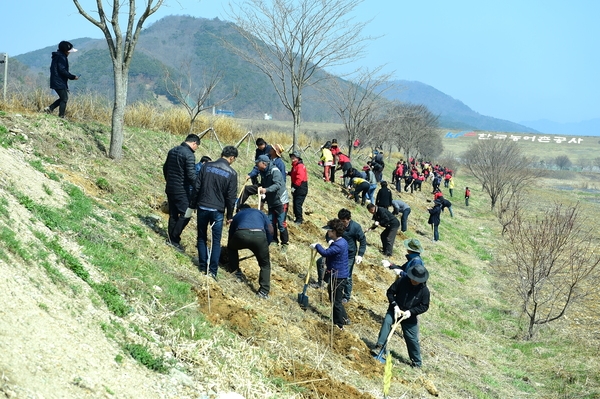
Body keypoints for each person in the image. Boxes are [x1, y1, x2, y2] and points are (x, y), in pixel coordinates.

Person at [188, 146, 239, 278]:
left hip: (203, 207)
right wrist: (229, 216)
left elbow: (197, 186)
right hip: (218, 210)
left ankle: (203, 266)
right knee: (216, 241)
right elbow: (230, 198)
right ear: (232, 158)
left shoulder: (206, 166)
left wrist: (193, 204)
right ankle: (212, 271)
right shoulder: (232, 173)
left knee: (201, 237)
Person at [371, 261, 430, 368]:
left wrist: (410, 312)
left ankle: (416, 362)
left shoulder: (424, 291)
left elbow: (424, 306)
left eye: (416, 280)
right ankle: (379, 347)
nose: (413, 281)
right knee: (387, 322)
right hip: (395, 310)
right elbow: (390, 292)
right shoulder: (402, 281)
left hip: (409, 316)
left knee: (412, 338)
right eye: (412, 278)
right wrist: (395, 306)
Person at [313, 209, 367, 304]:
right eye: (340, 220)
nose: (342, 223)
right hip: (336, 251)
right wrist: (329, 240)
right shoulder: (337, 225)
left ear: (349, 219)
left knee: (347, 276)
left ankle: (346, 296)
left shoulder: (355, 227)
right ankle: (320, 282)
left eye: (344, 221)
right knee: (320, 262)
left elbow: (362, 240)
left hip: (349, 255)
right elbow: (328, 233)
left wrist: (360, 255)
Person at [162, 134, 201, 251]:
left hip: (170, 187)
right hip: (181, 189)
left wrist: (169, 180)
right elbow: (190, 175)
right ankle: (174, 237)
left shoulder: (172, 150)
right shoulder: (189, 155)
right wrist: (198, 187)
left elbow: (165, 168)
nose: (196, 149)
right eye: (197, 147)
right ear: (194, 143)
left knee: (173, 214)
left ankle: (171, 239)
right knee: (186, 213)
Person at [227, 204, 274, 299]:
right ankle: (263, 291)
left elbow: (231, 233)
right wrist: (266, 244)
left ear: (239, 209)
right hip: (259, 237)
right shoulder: (260, 213)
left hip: (241, 234)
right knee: (265, 264)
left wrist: (230, 245)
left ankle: (236, 272)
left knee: (232, 248)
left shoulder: (238, 215)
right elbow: (270, 229)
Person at [310, 218, 349, 330]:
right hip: (338, 274)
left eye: (329, 231)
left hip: (338, 276)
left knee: (335, 301)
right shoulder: (341, 242)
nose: (328, 232)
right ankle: (345, 318)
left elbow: (325, 253)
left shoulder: (339, 245)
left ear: (334, 232)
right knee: (334, 297)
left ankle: (339, 324)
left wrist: (317, 245)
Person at [256, 155, 290, 252]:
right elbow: (264, 185)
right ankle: (274, 240)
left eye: (258, 163)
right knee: (271, 222)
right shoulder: (263, 172)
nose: (256, 165)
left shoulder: (275, 171)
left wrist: (266, 190)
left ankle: (285, 243)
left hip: (280, 201)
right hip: (271, 201)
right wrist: (263, 200)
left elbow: (277, 185)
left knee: (281, 223)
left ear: (263, 163)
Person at [239, 143, 286, 209]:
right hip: (263, 184)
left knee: (268, 203)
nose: (270, 149)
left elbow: (282, 180)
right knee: (247, 189)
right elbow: (257, 167)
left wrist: (273, 189)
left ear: (275, 152)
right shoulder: (266, 157)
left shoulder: (280, 164)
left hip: (271, 188)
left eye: (272, 149)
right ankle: (237, 205)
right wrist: (250, 175)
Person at [44, 41, 79, 118]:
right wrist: (72, 77)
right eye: (69, 51)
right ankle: (61, 116)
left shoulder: (57, 56)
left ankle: (50, 108)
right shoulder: (62, 57)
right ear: (65, 51)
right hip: (59, 81)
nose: (69, 53)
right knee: (64, 99)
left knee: (63, 98)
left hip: (56, 80)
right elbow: (62, 70)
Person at [288, 151, 308, 224]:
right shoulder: (294, 166)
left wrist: (294, 187)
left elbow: (299, 178)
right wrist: (288, 173)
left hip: (301, 188)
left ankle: (299, 219)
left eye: (294, 157)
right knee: (295, 203)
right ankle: (297, 218)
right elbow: (294, 174)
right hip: (296, 187)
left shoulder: (300, 166)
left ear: (298, 158)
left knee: (297, 204)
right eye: (292, 157)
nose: (292, 158)